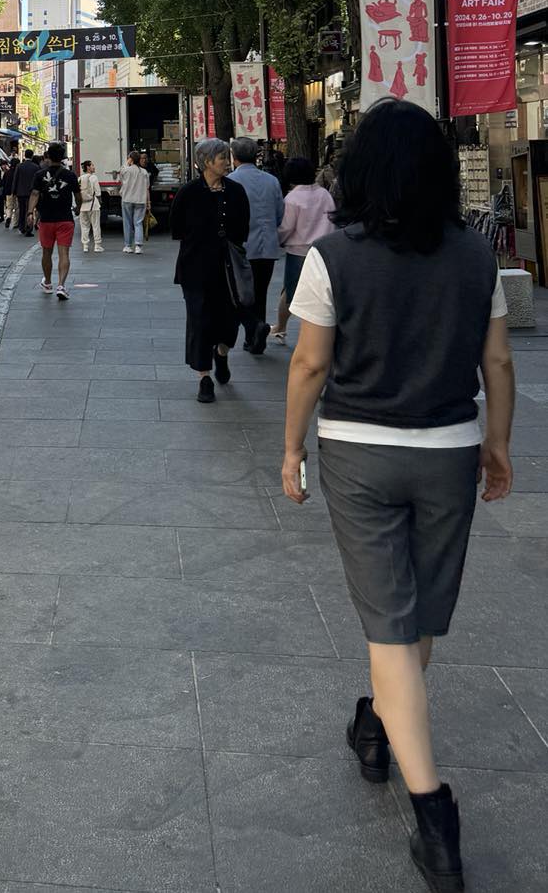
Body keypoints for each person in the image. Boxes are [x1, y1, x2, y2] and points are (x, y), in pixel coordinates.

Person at [282, 99, 515, 892]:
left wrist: (289, 449)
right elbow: (499, 365)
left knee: (390, 623)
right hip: (449, 448)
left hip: (358, 450)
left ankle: (435, 814)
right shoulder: (474, 257)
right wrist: (499, 445)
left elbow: (309, 365)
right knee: (416, 620)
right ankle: (376, 724)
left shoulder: (333, 258)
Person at [169, 138, 250, 405]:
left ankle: (222, 353)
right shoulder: (188, 193)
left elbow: (243, 229)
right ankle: (204, 377)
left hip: (228, 270)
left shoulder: (236, 191)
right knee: (200, 320)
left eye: (227, 157)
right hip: (195, 269)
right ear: (205, 162)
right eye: (221, 158)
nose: (227, 162)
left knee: (230, 320)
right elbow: (177, 229)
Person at [270, 157, 335, 345]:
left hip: (299, 251)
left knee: (291, 291)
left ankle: (282, 327)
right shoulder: (324, 194)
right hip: (324, 249)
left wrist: (279, 241)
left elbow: (286, 227)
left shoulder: (292, 198)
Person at [228, 137, 283, 354]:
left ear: (234, 157)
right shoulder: (271, 181)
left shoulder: (231, 181)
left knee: (241, 294)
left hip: (243, 247)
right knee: (261, 292)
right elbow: (280, 214)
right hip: (267, 245)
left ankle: (254, 329)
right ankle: (256, 336)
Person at [29, 143, 81, 300]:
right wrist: (78, 208)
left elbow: (35, 194)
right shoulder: (70, 175)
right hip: (65, 219)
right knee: (64, 252)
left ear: (47, 157)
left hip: (46, 219)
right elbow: (78, 196)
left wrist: (30, 212)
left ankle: (48, 283)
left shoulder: (39, 175)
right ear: (63, 157)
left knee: (47, 252)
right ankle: (61, 285)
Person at [119, 151, 151, 254]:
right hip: (140, 200)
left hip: (127, 199)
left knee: (127, 223)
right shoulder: (144, 172)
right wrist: (148, 202)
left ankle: (128, 246)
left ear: (131, 159)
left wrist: (127, 163)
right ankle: (138, 246)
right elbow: (147, 188)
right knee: (138, 223)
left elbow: (121, 177)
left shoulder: (126, 170)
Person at [78, 159, 103, 254]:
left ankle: (85, 246)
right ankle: (97, 245)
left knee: (84, 226)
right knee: (96, 226)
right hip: (93, 205)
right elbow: (98, 192)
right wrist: (100, 202)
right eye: (92, 165)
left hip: (83, 206)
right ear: (88, 167)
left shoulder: (80, 178)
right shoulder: (94, 178)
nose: (94, 167)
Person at [14, 151, 41, 235]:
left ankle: (22, 227)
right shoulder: (36, 167)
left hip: (21, 192)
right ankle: (29, 228)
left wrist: (14, 191)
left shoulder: (19, 166)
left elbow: (16, 179)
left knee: (22, 210)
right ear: (32, 156)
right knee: (30, 210)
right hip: (32, 193)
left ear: (25, 156)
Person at [0, 153, 19, 225]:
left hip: (8, 191)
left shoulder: (7, 173)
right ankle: (16, 223)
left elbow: (3, 183)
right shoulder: (18, 172)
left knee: (9, 207)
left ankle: (8, 217)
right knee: (17, 207)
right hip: (16, 192)